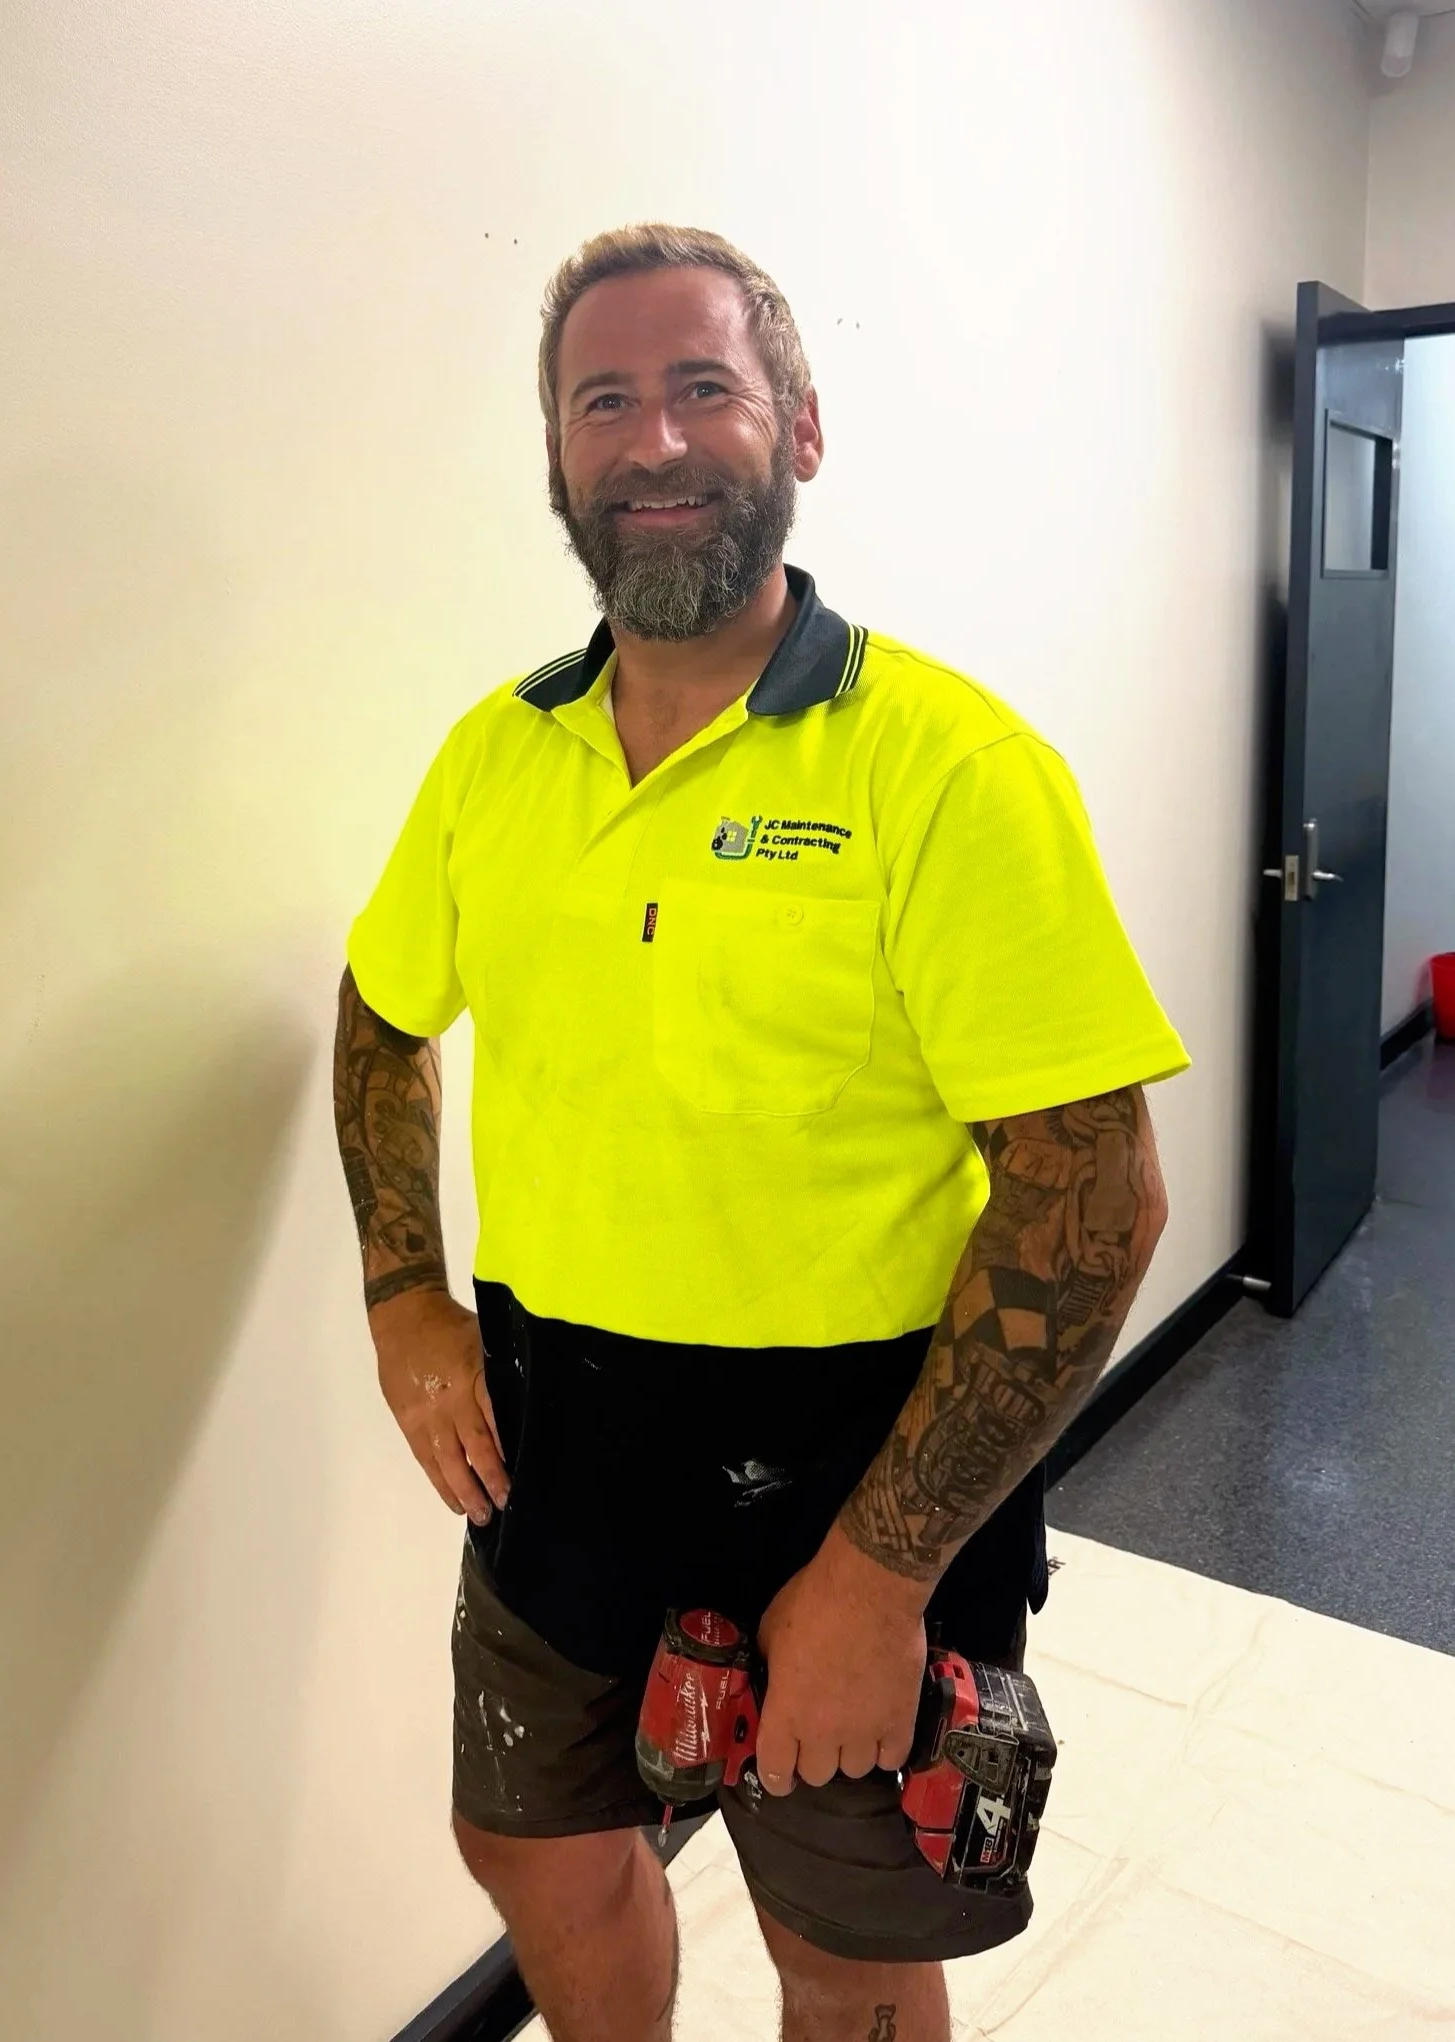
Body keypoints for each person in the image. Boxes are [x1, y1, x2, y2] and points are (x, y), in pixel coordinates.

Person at [334, 224, 1187, 2042]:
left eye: (701, 388)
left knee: (842, 1947)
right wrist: (405, 1294)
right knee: (530, 1845)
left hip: (855, 1473)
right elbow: (383, 1015)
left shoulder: (946, 767)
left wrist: (879, 1578)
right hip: (556, 1450)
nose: (651, 441)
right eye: (603, 401)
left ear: (798, 428)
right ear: (557, 454)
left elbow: (1091, 1201)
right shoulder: (495, 756)